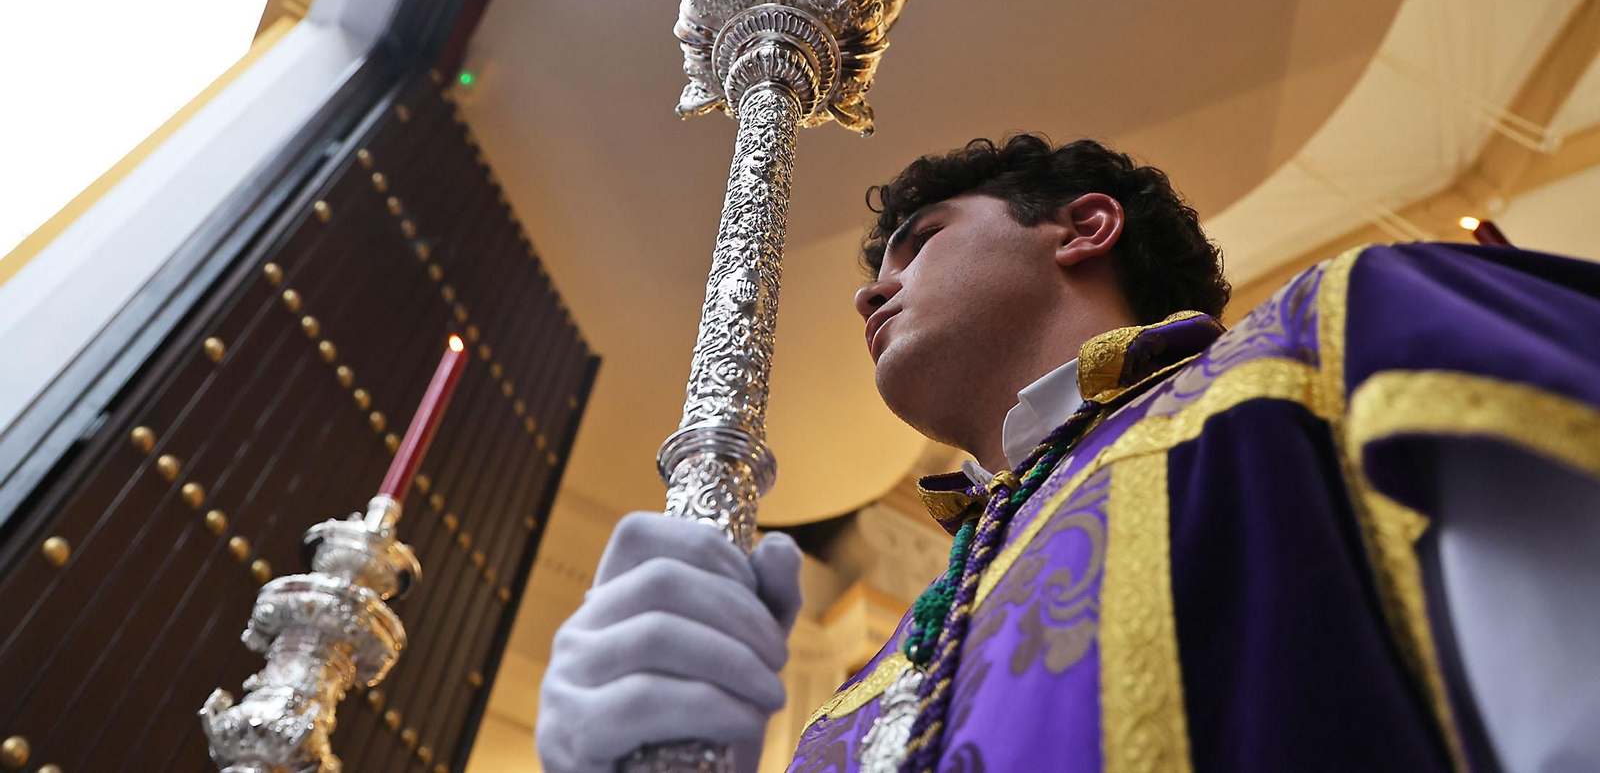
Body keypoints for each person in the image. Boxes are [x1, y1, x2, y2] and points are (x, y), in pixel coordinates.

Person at [537, 135, 1600, 773]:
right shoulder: (853, 698)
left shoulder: (1334, 347)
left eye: (924, 236)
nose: (869, 286)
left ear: (1083, 226)